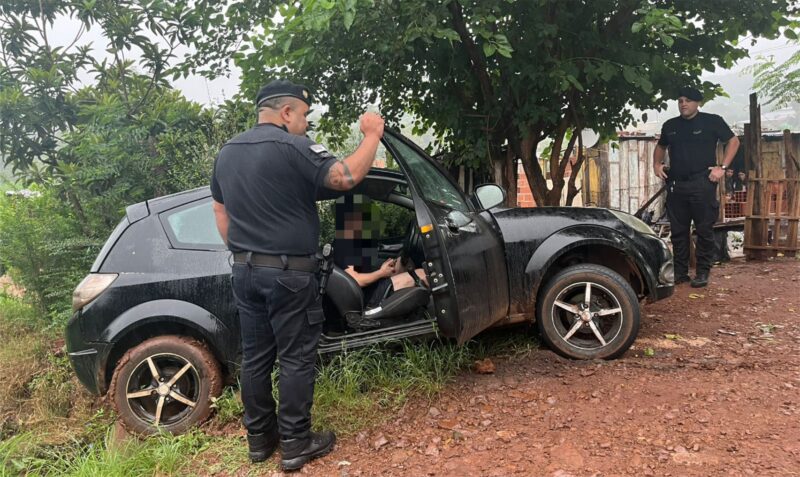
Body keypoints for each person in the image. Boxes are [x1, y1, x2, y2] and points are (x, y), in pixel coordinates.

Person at [210, 79, 384, 471]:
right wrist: (372, 135)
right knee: (295, 358)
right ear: (286, 112)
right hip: (289, 275)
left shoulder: (228, 153)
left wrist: (244, 253)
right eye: (304, 115)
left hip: (244, 271)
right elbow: (344, 178)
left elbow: (221, 212)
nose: (306, 124)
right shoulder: (293, 147)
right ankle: (295, 443)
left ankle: (260, 440)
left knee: (255, 357)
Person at [653, 86, 740, 288]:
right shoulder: (670, 125)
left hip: (703, 182)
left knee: (703, 230)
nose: (683, 103)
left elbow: (734, 141)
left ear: (698, 103)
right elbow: (661, 146)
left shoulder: (712, 121)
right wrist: (656, 165)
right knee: (678, 231)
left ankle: (702, 273)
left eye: (688, 100)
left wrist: (722, 167)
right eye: (680, 100)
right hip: (677, 184)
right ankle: (680, 274)